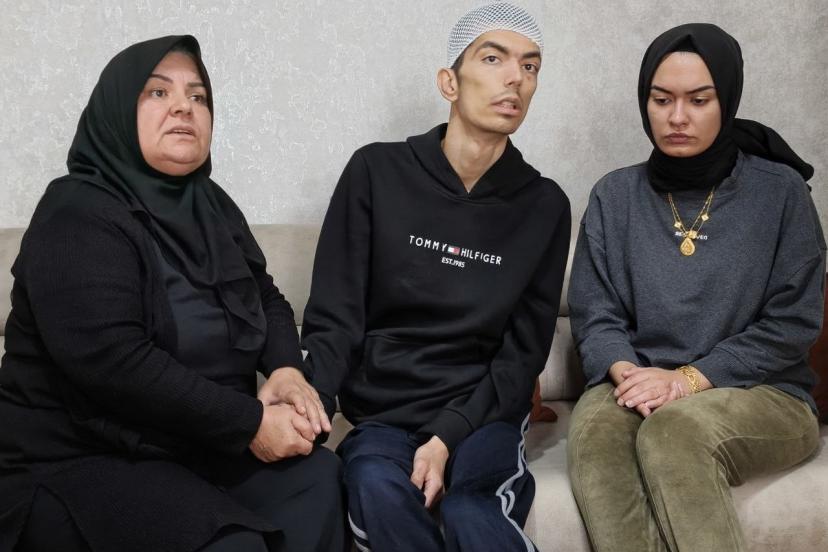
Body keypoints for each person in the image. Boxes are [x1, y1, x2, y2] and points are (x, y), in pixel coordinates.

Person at [0, 35, 345, 552]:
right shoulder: (75, 215)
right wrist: (250, 423)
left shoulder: (210, 205)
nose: (184, 106)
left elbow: (266, 296)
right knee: (232, 545)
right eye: (158, 92)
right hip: (84, 458)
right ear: (117, 112)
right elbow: (116, 365)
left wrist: (285, 370)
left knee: (316, 479)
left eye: (198, 96)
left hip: (194, 445)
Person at [301, 3, 571, 551]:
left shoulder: (544, 205)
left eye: (530, 66)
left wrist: (447, 436)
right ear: (449, 81)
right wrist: (311, 409)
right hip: (383, 414)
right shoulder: (376, 172)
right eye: (493, 59)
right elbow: (335, 315)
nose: (515, 78)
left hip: (484, 413)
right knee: (376, 487)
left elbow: (522, 357)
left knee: (471, 509)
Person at [567, 23, 825, 552]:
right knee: (595, 433)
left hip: (765, 393)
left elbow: (793, 323)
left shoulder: (780, 193)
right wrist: (630, 376)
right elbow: (596, 314)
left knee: (676, 430)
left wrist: (686, 380)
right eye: (661, 100)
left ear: (726, 101)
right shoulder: (615, 195)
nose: (677, 117)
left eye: (699, 100)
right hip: (639, 377)